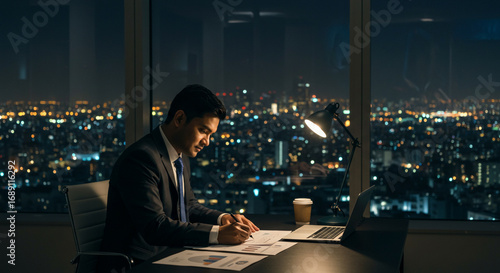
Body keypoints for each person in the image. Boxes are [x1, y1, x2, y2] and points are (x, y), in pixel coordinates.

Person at [97, 84, 259, 273]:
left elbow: (188, 206)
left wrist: (223, 219)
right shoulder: (141, 158)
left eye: (210, 134)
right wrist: (217, 234)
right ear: (179, 118)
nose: (207, 141)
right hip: (136, 265)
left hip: (170, 256)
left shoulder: (178, 154)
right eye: (203, 131)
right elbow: (154, 227)